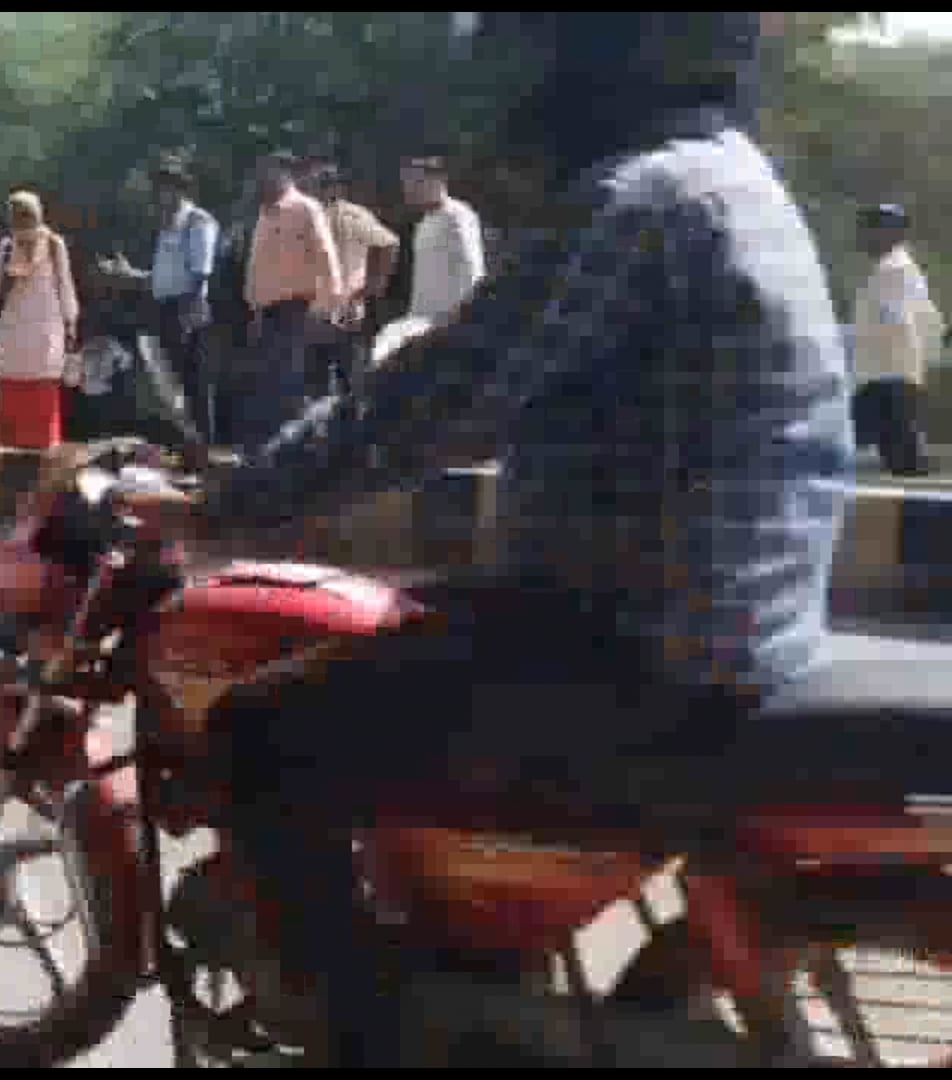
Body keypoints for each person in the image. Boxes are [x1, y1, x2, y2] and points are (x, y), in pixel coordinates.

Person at [127, 11, 850, 1065]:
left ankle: (365, 1037)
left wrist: (222, 504)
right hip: (730, 614)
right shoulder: (734, 177)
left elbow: (437, 400)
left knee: (259, 735)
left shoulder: (637, 201)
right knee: (410, 629)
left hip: (639, 637)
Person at [241, 151, 343, 454]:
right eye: (262, 171)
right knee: (270, 384)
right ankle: (273, 451)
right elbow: (257, 265)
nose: (264, 178)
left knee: (292, 382)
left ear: (287, 173)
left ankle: (298, 451)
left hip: (298, 308)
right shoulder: (264, 213)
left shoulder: (305, 208)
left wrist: (328, 305)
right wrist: (255, 310)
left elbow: (326, 256)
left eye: (270, 171)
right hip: (269, 313)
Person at [850, 202, 941, 477]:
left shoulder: (893, 270)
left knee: (835, 439)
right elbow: (929, 318)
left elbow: (897, 319)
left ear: (891, 233)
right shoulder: (899, 268)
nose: (862, 235)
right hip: (892, 375)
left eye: (870, 228)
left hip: (887, 377)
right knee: (903, 460)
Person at [0, 188, 81, 449]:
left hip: (45, 331)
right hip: (15, 332)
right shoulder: (6, 246)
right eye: (16, 215)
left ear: (37, 215)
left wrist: (71, 325)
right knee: (11, 391)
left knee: (42, 393)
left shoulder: (53, 244)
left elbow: (65, 286)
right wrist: (16, 259)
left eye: (26, 214)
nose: (22, 220)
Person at [304, 159, 401, 401]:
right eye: (316, 184)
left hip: (345, 312)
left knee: (351, 383)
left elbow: (389, 243)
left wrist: (375, 283)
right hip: (313, 312)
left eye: (324, 185)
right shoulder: (307, 216)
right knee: (314, 384)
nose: (319, 190)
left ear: (336, 188)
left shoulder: (351, 215)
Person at [148, 160, 220, 443]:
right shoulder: (166, 224)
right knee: (171, 382)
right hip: (165, 308)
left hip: (187, 308)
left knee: (194, 381)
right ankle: (183, 443)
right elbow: (165, 275)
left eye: (167, 187)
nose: (161, 194)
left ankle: (202, 446)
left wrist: (189, 313)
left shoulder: (197, 220)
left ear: (180, 189)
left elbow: (201, 270)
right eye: (159, 188)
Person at [400, 153, 486, 323]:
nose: (410, 189)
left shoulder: (457, 216)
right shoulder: (423, 224)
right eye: (407, 183)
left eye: (417, 182)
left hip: (451, 325)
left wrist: (464, 318)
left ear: (438, 180)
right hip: (422, 322)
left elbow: (473, 272)